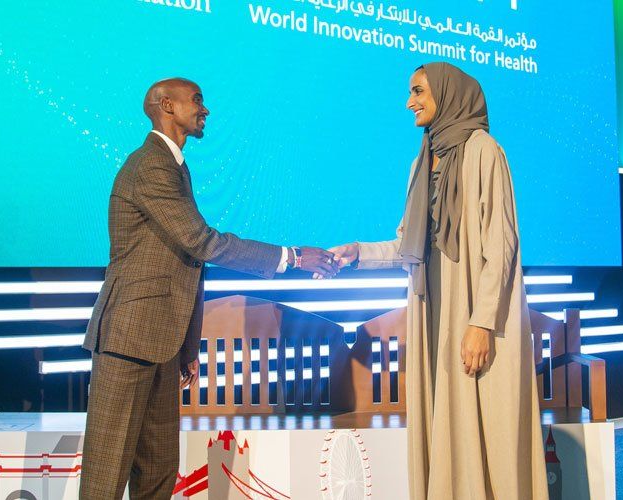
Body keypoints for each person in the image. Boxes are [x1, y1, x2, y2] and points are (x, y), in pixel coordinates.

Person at [79, 77, 338, 500]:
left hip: (161, 343)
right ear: (167, 105)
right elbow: (200, 241)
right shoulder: (150, 165)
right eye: (197, 100)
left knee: (159, 475)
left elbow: (183, 264)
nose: (206, 109)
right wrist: (290, 257)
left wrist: (186, 345)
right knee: (105, 480)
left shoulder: (176, 166)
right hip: (129, 340)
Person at [328, 63, 549, 499]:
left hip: (477, 316)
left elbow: (500, 246)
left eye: (418, 91)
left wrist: (482, 322)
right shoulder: (423, 161)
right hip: (434, 315)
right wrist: (357, 254)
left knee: (491, 431)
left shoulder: (484, 151)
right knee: (445, 423)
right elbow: (408, 244)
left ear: (447, 93)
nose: (409, 102)